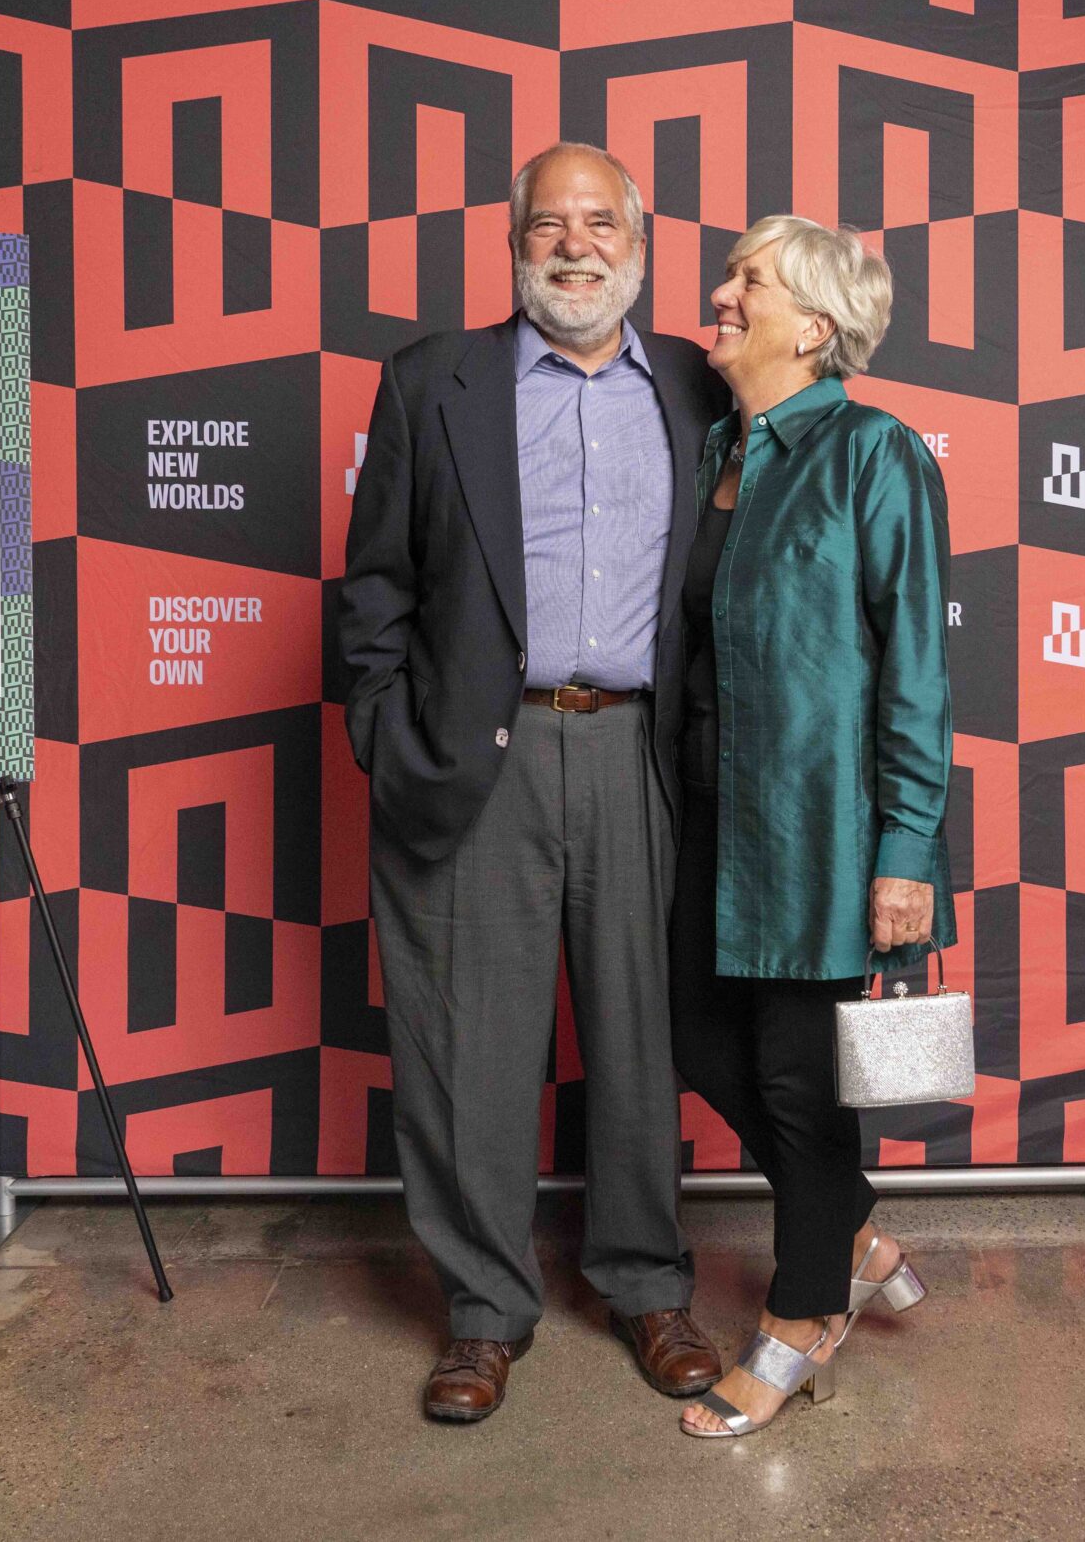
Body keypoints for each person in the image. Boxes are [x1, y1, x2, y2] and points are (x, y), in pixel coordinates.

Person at [338, 143, 729, 1423]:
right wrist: (389, 736)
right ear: (514, 245)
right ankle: (481, 1310)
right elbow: (375, 588)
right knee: (468, 1045)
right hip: (476, 756)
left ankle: (647, 1283)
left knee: (642, 1036)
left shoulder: (698, 384)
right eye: (549, 224)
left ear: (640, 244)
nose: (575, 245)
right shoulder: (431, 381)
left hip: (637, 751)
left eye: (599, 222)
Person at [668, 214, 957, 1439]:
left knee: (796, 1080)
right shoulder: (715, 450)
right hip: (707, 813)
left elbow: (915, 669)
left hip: (820, 827)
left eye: (751, 280)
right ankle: (855, 1231)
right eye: (730, 274)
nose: (722, 293)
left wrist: (905, 851)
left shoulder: (871, 452)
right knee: (694, 1041)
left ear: (813, 328)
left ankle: (801, 1315)